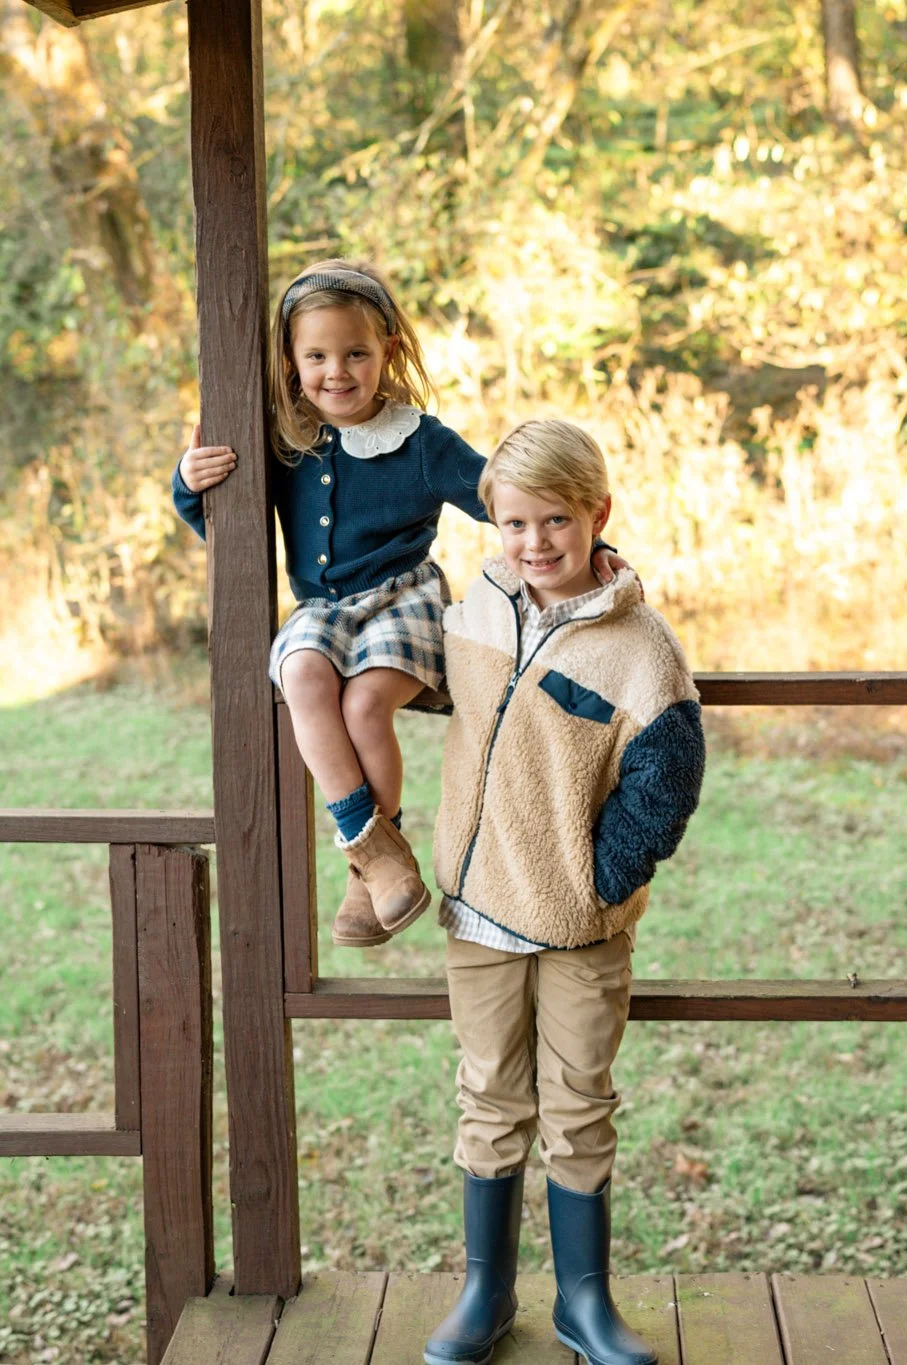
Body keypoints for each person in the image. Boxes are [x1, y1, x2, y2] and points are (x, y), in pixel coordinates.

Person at [171, 259, 623, 949]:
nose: (338, 371)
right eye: (316, 355)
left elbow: (505, 498)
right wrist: (187, 482)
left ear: (388, 349)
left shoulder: (420, 441)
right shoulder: (285, 439)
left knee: (362, 704)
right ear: (291, 361)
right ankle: (374, 848)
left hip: (404, 601)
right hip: (324, 611)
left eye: (356, 352)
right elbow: (224, 526)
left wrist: (594, 545)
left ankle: (366, 869)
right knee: (301, 676)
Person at [423, 419, 704, 1365]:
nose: (535, 542)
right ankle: (486, 1292)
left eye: (555, 520)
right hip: (477, 909)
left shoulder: (640, 650)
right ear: (490, 523)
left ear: (599, 516)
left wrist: (598, 883)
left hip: (582, 926)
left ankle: (586, 1303)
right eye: (513, 522)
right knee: (490, 1096)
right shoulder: (477, 606)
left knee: (580, 1101)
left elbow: (665, 783)